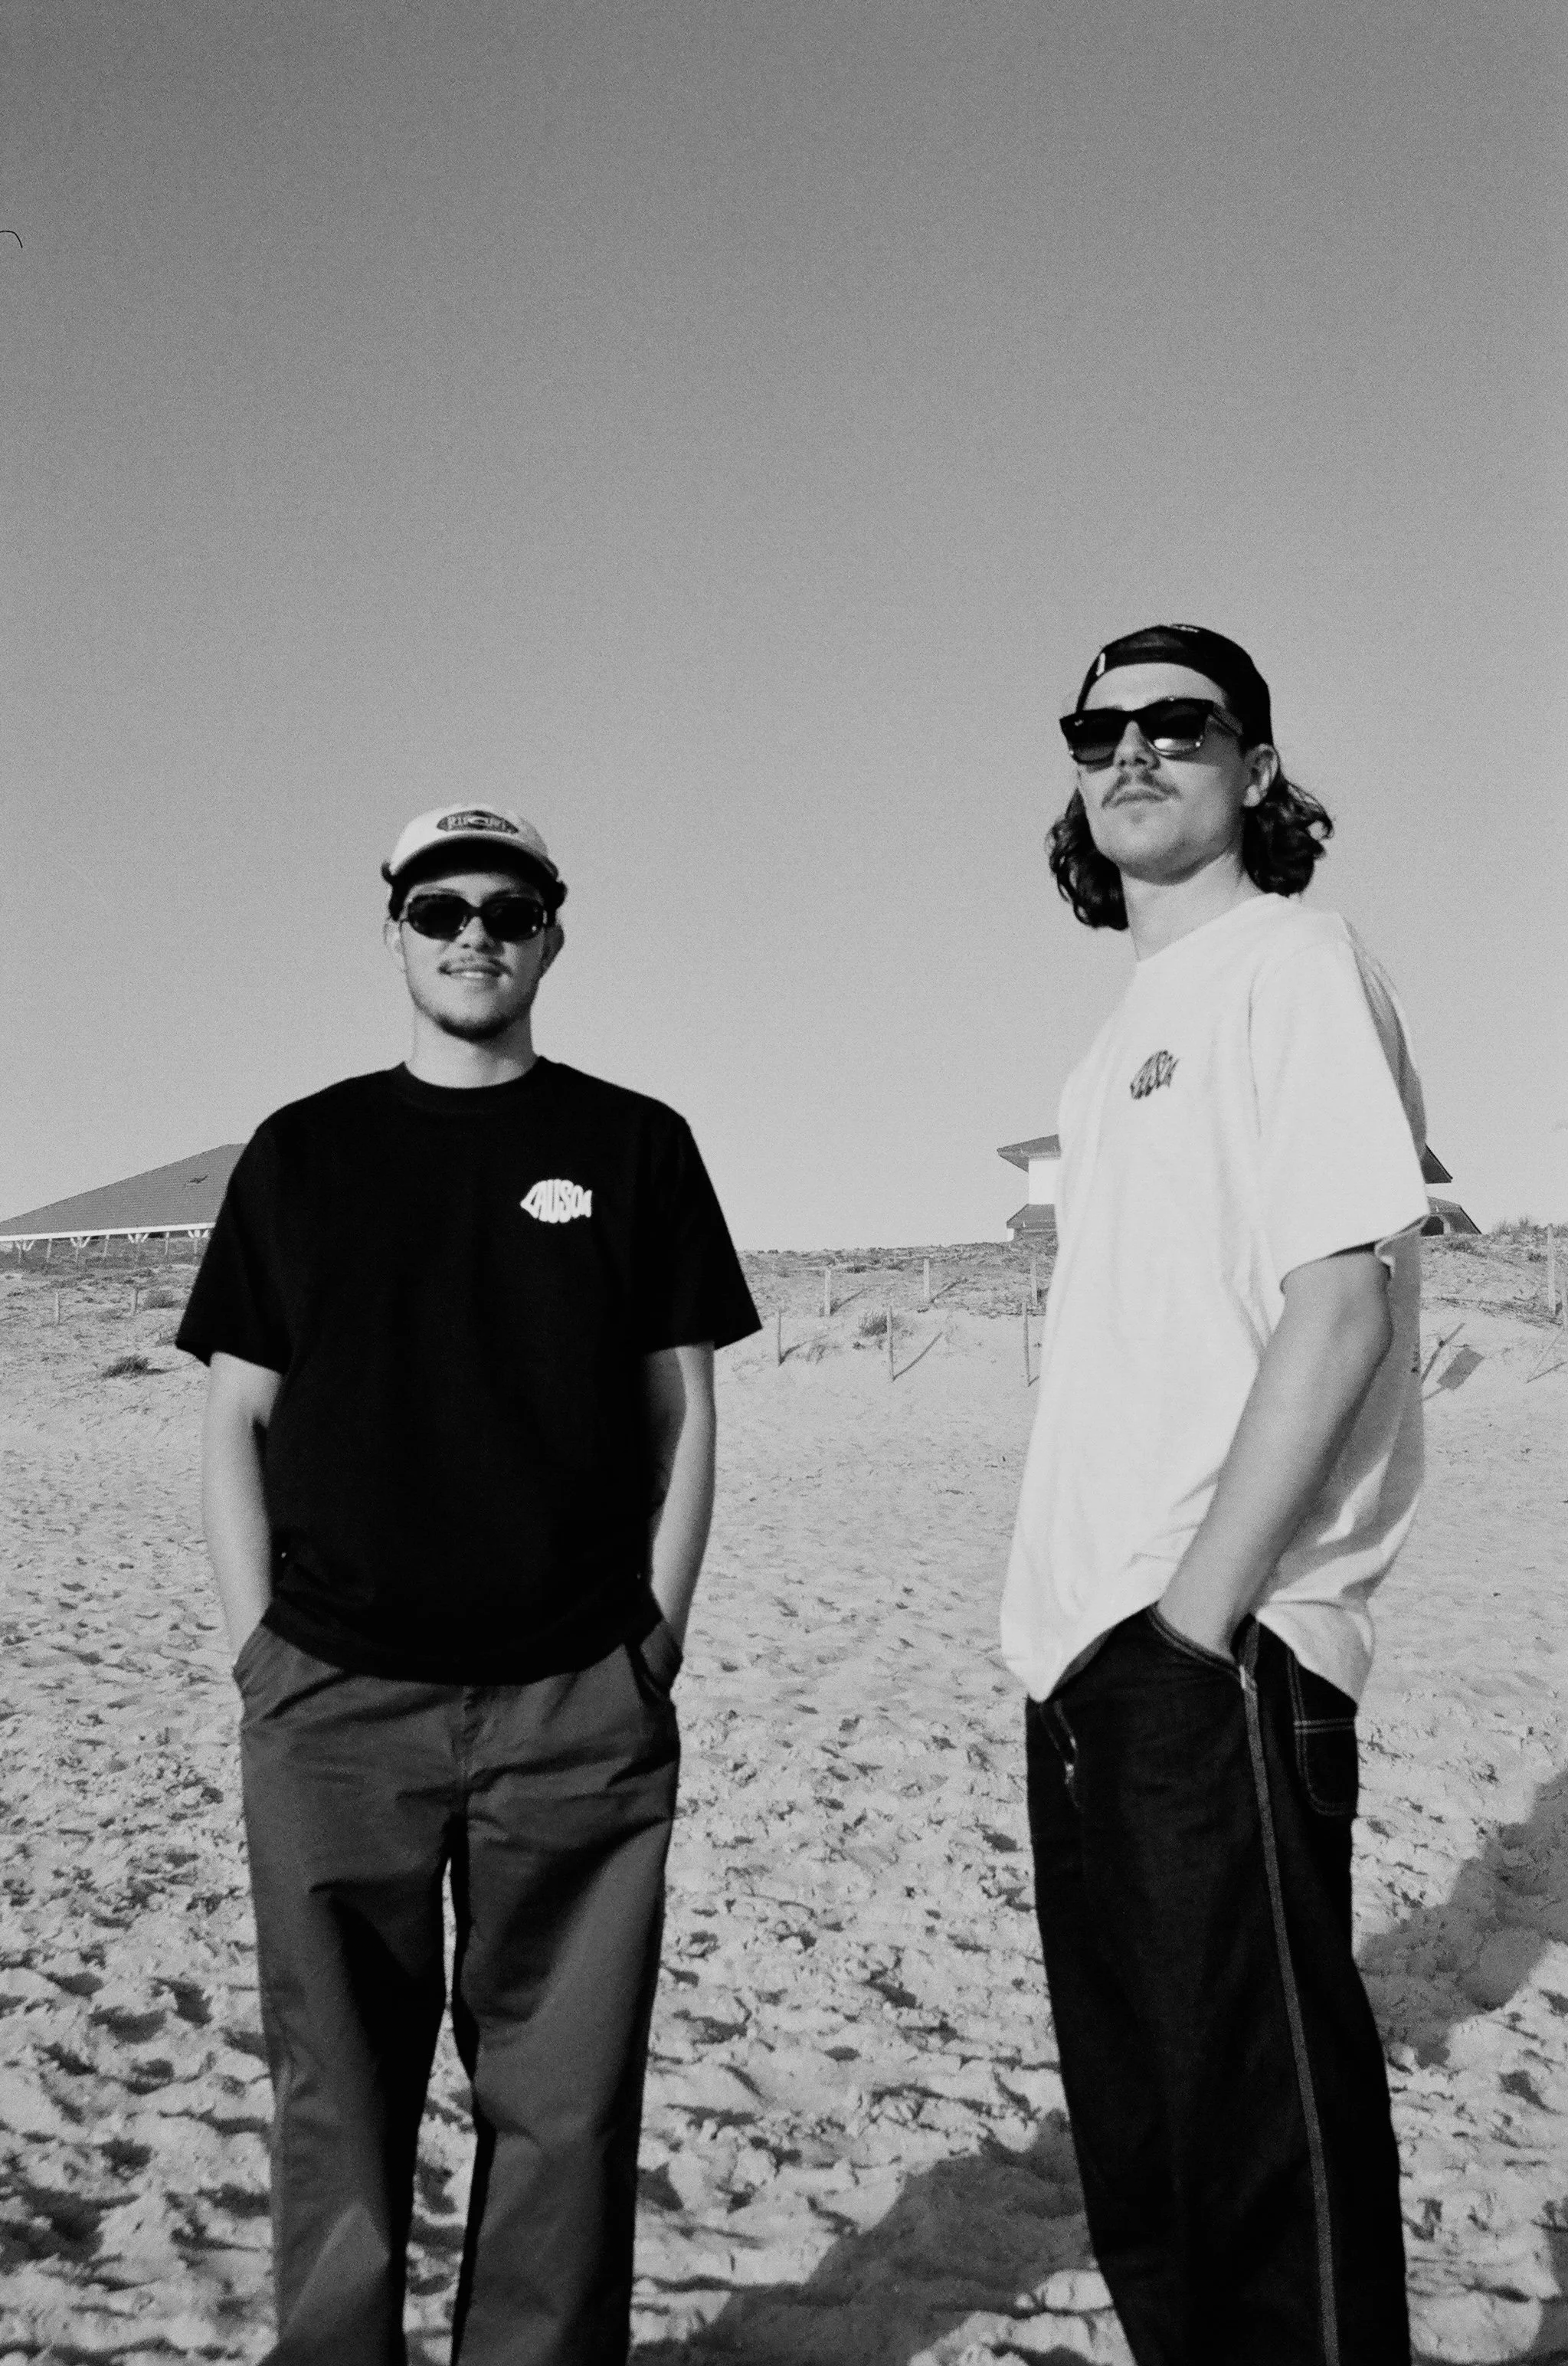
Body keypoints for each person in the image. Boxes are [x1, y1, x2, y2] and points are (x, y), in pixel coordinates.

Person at [178, 803, 759, 2365]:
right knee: (338, 2087)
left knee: (564, 2105)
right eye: (440, 907)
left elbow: (683, 1407)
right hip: (331, 1698)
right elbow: (236, 1412)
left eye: (510, 905)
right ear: (395, 932)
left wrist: (658, 1639)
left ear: (554, 930)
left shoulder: (635, 1143)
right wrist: (261, 1654)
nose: (474, 931)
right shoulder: (303, 1151)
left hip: (578, 1697)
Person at [1000, 625, 1430, 2365]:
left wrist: (1197, 1620)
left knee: (1265, 2165)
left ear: (1259, 767)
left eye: (1183, 723)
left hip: (1213, 1640)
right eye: (1100, 726)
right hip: (1083, 1659)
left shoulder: (1293, 959)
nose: (1133, 749)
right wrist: (1088, 1646)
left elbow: (1342, 1302)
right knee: (1152, 2164)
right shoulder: (1110, 1049)